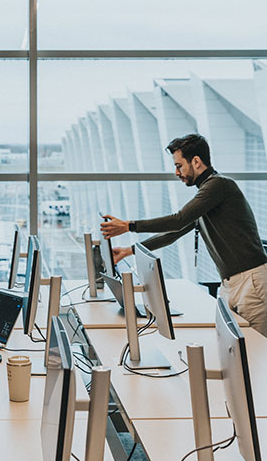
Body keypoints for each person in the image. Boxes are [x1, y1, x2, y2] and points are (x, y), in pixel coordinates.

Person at [100, 133, 267, 337]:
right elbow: (175, 232)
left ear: (196, 161)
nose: (176, 172)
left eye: (179, 165)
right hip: (231, 284)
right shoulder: (207, 193)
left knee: (258, 353)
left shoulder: (219, 185)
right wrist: (128, 251)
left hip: (251, 282)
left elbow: (178, 219)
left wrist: (129, 226)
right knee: (231, 349)